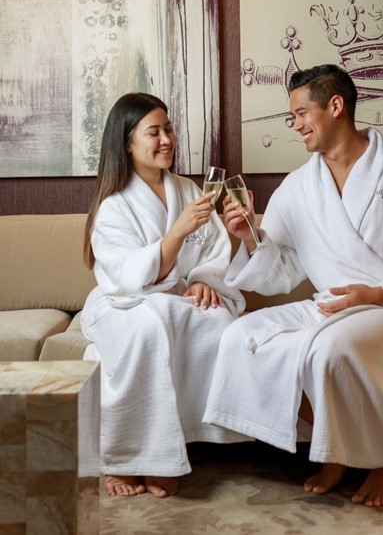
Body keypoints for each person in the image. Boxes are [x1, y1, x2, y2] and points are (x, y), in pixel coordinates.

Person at [203, 64, 383, 507]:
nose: (296, 125)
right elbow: (283, 265)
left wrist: (376, 293)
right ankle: (339, 446)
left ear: (336, 106)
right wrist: (249, 236)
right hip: (331, 304)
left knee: (330, 351)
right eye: (293, 117)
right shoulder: (299, 186)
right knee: (239, 337)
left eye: (302, 113)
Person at [81, 93, 247, 498]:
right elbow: (129, 275)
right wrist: (178, 231)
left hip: (176, 295)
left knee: (220, 322)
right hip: (123, 301)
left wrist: (204, 280)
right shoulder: (114, 207)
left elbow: (212, 251)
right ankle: (125, 458)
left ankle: (181, 441)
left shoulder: (188, 190)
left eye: (168, 130)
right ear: (127, 143)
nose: (167, 140)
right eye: (153, 132)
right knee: (149, 328)